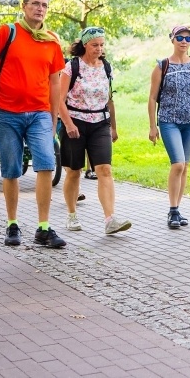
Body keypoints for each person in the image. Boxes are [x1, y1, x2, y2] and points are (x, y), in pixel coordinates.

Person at [0, 0, 67, 249]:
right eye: (35, 3)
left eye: (44, 5)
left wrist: (54, 116)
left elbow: (55, 82)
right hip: (7, 112)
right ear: (24, 6)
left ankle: (43, 228)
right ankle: (12, 224)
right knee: (10, 169)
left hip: (39, 113)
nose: (40, 9)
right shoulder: (8, 32)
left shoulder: (52, 41)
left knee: (46, 163)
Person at [59, 26, 131, 235]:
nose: (99, 49)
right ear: (84, 45)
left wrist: (114, 127)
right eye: (94, 45)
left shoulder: (106, 67)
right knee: (74, 172)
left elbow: (109, 99)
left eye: (101, 45)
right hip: (76, 123)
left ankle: (110, 219)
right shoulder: (71, 67)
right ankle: (71, 215)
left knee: (105, 169)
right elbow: (58, 100)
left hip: (100, 123)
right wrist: (69, 124)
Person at [147, 25, 190, 229]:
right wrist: (152, 126)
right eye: (180, 37)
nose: (184, 41)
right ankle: (172, 210)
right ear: (172, 39)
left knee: (185, 166)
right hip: (169, 121)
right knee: (177, 164)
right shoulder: (162, 66)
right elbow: (151, 98)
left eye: (188, 38)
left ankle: (177, 209)